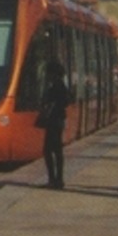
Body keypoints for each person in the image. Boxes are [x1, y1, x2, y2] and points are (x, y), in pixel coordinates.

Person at [37, 60, 73, 189]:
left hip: (54, 120)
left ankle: (54, 179)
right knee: (56, 150)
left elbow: (62, 101)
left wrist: (49, 104)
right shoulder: (61, 85)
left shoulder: (56, 86)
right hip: (58, 120)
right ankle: (57, 179)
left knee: (49, 150)